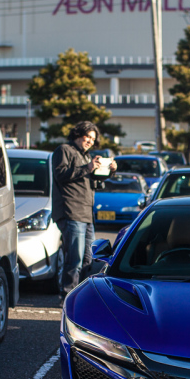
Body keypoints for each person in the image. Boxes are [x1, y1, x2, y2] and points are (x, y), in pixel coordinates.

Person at [51, 121, 115, 300]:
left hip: (87, 214)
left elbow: (94, 181)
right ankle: (67, 296)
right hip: (71, 211)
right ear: (78, 134)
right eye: (88, 137)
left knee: (88, 260)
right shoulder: (64, 150)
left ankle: (82, 297)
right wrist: (88, 167)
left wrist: (109, 171)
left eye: (93, 139)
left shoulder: (87, 156)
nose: (90, 141)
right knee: (75, 259)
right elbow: (60, 174)